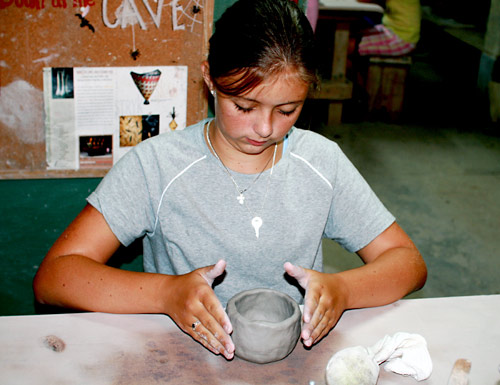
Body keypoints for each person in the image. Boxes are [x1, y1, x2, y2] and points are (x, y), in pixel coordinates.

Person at [33, 0, 427, 362]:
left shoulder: (321, 162)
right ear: (209, 78)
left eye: (288, 110)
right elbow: (55, 277)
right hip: (179, 358)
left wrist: (343, 291)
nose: (265, 128)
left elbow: (407, 263)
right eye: (244, 106)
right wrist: (167, 294)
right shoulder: (156, 166)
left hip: (291, 360)